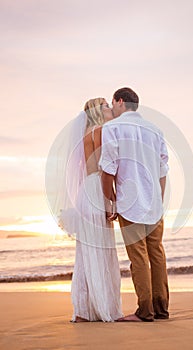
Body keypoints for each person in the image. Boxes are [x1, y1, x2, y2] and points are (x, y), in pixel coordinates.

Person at [99, 87, 169, 322]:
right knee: (157, 254)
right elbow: (163, 170)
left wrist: (111, 203)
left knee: (138, 257)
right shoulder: (155, 129)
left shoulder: (113, 127)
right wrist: (158, 197)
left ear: (119, 102)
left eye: (112, 102)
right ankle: (161, 309)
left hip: (130, 203)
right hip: (154, 202)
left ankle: (145, 311)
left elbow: (107, 170)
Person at [58, 98, 123, 322]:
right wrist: (111, 201)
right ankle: (104, 308)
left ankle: (84, 311)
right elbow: (107, 169)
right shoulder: (102, 131)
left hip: (86, 192)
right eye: (105, 106)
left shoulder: (85, 134)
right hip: (97, 190)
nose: (109, 109)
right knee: (101, 251)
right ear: (97, 112)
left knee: (86, 254)